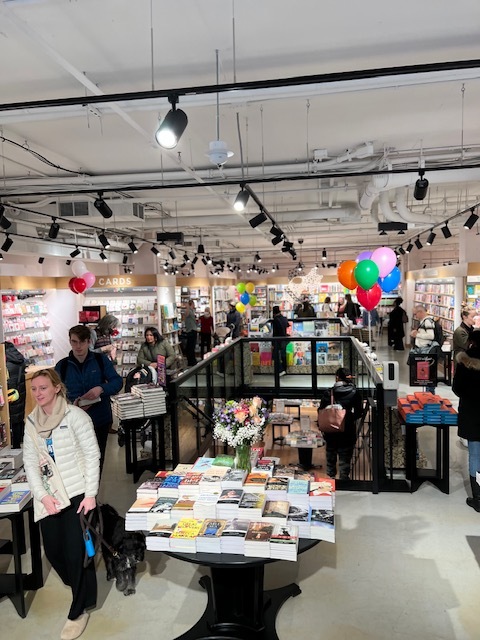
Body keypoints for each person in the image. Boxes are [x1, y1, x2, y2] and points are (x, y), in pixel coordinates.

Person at [23, 369, 100, 640]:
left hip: (78, 494)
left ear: (57, 388)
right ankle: (83, 586)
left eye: (43, 387)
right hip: (50, 497)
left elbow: (92, 455)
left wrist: (90, 494)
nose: (38, 393)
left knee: (74, 554)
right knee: (54, 553)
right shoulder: (32, 422)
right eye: (34, 389)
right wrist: (42, 496)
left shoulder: (76, 417)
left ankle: (77, 611)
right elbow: (30, 463)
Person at [55, 325, 123, 473]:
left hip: (99, 420)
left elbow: (117, 382)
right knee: (76, 463)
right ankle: (83, 495)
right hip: (72, 422)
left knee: (97, 461)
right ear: (70, 342)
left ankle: (93, 495)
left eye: (82, 342)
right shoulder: (63, 366)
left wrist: (101, 389)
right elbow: (54, 394)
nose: (78, 346)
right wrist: (69, 404)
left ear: (88, 342)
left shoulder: (100, 360)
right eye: (74, 342)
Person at [452, 330, 480, 512]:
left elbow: (457, 388)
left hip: (472, 412)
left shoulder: (465, 361)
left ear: (471, 342)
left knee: (475, 455)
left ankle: (477, 498)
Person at [319, 367, 363, 480]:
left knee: (331, 454)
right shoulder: (355, 393)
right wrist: (347, 418)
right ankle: (344, 479)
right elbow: (359, 412)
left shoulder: (329, 393)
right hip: (347, 430)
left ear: (337, 377)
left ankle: (331, 478)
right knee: (345, 457)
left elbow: (321, 410)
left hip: (331, 430)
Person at [5, 340, 27, 448]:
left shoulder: (6, 362)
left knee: (11, 420)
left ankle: (13, 445)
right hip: (19, 392)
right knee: (18, 418)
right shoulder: (19, 358)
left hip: (9, 393)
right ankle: (19, 443)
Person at [410, 305, 436, 393]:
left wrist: (417, 335)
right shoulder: (424, 321)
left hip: (425, 350)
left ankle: (430, 394)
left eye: (415, 314)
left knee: (427, 374)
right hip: (423, 350)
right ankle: (427, 393)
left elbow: (431, 336)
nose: (415, 316)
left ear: (420, 312)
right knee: (424, 374)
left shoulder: (427, 322)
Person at [271, 305, 290, 376]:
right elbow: (288, 325)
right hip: (284, 338)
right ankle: (285, 369)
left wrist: (273, 343)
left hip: (277, 340)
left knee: (276, 355)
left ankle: (280, 370)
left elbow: (275, 332)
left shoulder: (275, 320)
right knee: (283, 355)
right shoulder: (284, 318)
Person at [183, 299, 198, 366]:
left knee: (191, 347)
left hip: (191, 330)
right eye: (193, 304)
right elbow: (186, 315)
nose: (194, 306)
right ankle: (192, 361)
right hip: (191, 330)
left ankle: (191, 360)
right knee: (191, 347)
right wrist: (188, 307)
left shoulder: (191, 311)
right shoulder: (189, 311)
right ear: (191, 304)